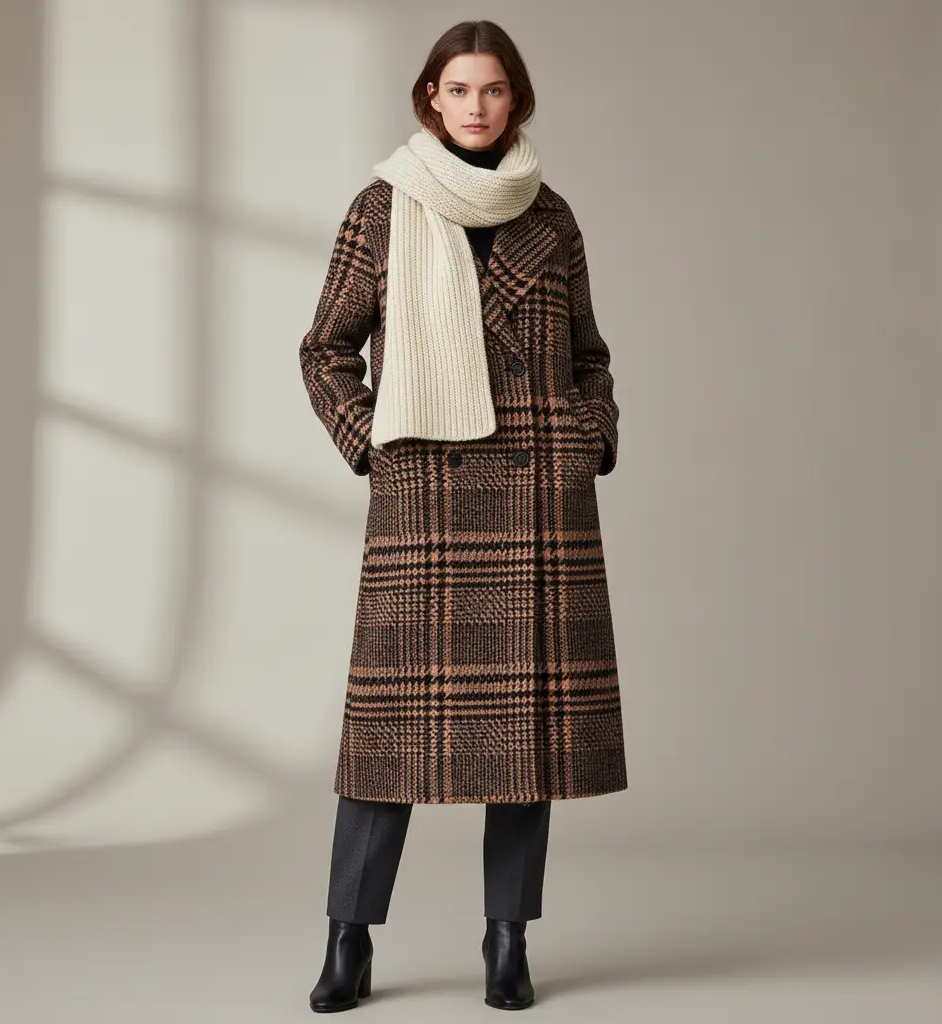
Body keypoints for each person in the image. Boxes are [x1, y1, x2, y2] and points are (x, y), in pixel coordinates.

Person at [299, 19, 627, 1012]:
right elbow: (325, 349)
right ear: (429, 99)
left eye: (492, 89)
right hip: (427, 495)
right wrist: (373, 442)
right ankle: (349, 940)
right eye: (458, 89)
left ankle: (506, 939)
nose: (475, 106)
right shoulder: (383, 206)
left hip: (535, 499)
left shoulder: (550, 214)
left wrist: (587, 435)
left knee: (524, 744)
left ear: (514, 98)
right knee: (387, 739)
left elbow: (589, 355)